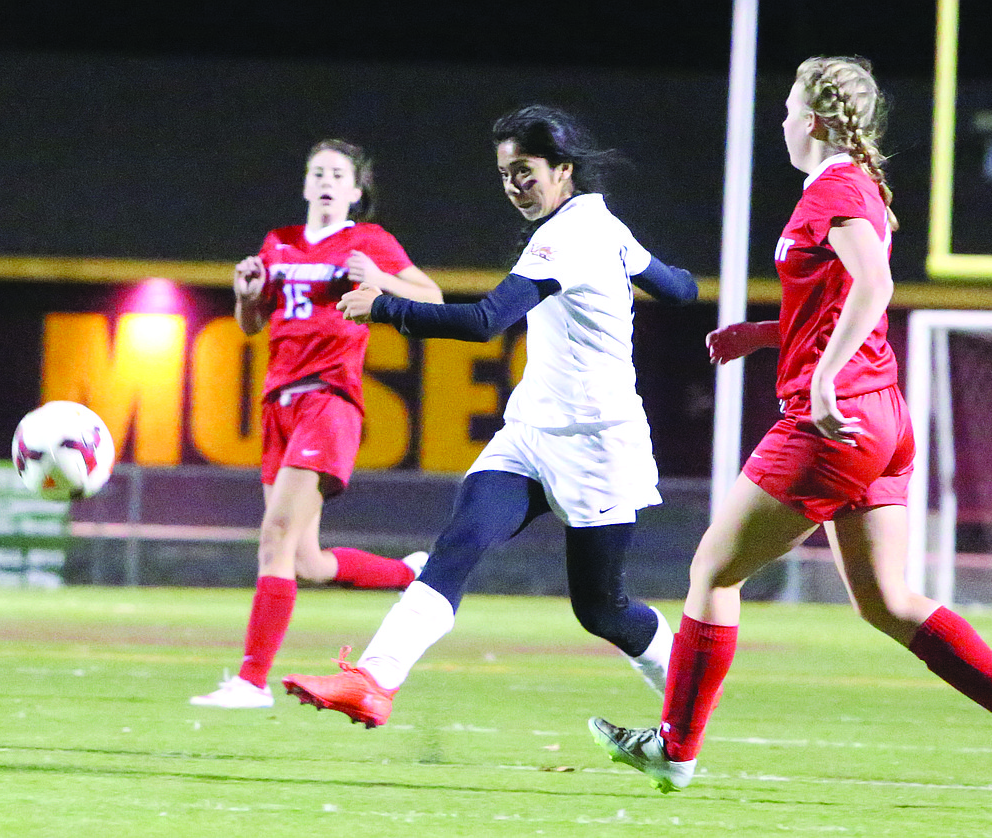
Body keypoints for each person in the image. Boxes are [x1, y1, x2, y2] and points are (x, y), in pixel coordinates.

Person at [588, 57, 992, 799]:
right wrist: (767, 333)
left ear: (812, 120)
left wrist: (818, 378)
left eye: (787, 108)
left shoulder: (836, 189)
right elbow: (836, 298)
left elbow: (874, 285)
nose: (781, 120)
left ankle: (674, 750)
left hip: (833, 419)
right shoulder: (851, 186)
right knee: (888, 601)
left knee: (713, 575)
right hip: (880, 416)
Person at [279, 104, 698, 727]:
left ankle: (688, 696)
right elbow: (680, 288)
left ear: (564, 170)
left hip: (596, 446)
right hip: (531, 434)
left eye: (525, 172)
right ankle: (373, 680)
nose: (513, 187)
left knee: (601, 610)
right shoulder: (599, 224)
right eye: (505, 174)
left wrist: (387, 306)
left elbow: (484, 322)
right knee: (457, 544)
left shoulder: (570, 235)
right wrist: (676, 283)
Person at [191, 139, 443, 709]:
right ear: (306, 184)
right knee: (304, 561)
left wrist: (379, 276)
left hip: (329, 402)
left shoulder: (368, 242)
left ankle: (251, 683)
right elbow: (253, 324)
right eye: (318, 172)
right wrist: (246, 296)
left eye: (338, 174)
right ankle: (412, 576)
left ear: (356, 192)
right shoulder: (278, 243)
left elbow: (431, 295)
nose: (327, 181)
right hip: (279, 403)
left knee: (274, 539)